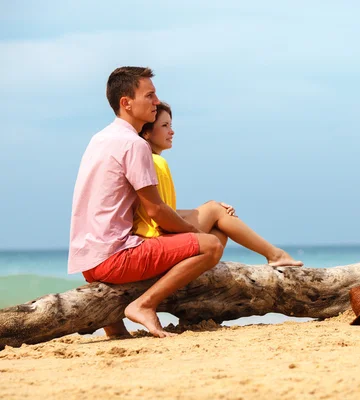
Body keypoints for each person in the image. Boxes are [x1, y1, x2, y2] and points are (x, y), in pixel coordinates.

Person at [68, 67, 225, 338]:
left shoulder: (100, 138)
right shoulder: (134, 144)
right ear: (126, 103)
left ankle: (115, 326)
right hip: (114, 257)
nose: (156, 102)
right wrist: (196, 234)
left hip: (87, 260)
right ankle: (144, 304)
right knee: (211, 245)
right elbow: (156, 210)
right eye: (150, 95)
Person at [132, 101, 304, 267]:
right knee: (215, 209)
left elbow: (160, 209)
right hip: (156, 242)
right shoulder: (156, 162)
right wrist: (212, 210)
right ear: (146, 133)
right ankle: (275, 255)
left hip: (150, 240)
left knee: (219, 230)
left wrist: (203, 211)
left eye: (171, 125)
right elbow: (159, 216)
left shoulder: (145, 160)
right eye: (165, 126)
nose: (172, 132)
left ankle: (197, 269)